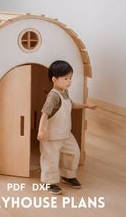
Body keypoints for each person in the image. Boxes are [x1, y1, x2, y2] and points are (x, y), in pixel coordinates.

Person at [37, 60, 96, 195]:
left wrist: (86, 105)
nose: (69, 81)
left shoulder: (65, 92)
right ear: (54, 79)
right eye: (65, 78)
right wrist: (41, 130)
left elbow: (71, 104)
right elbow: (45, 114)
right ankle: (49, 181)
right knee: (50, 158)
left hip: (65, 133)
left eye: (70, 78)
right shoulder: (53, 96)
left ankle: (68, 175)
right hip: (51, 136)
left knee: (73, 152)